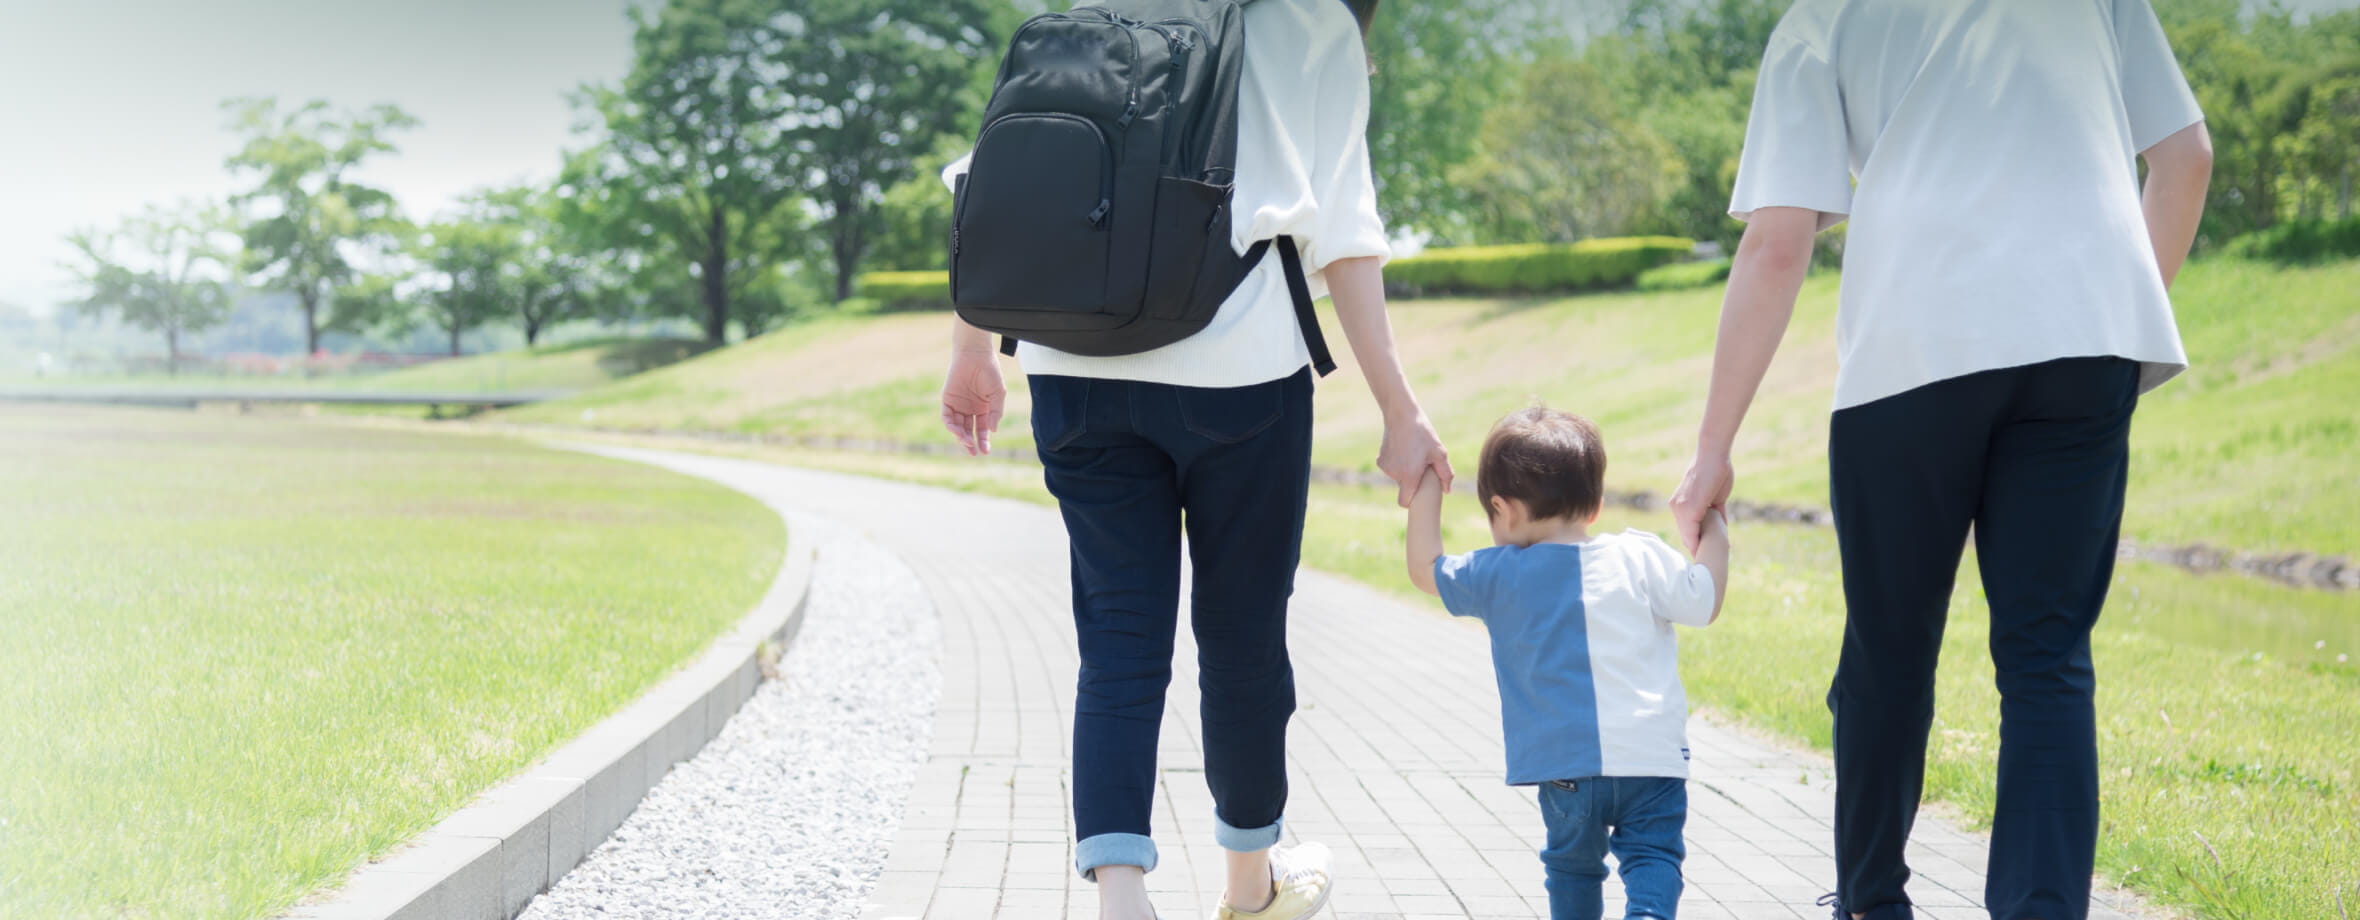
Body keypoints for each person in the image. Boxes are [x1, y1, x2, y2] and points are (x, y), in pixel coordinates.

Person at [1667, 1, 2213, 918]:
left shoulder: (1821, 19)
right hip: (2086, 346)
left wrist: (1713, 450)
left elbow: (1775, 245)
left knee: (1890, 648)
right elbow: (2186, 159)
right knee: (2046, 657)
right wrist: (2105, 310)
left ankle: (1873, 901)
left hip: (1913, 352)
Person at [938, 1, 1452, 917]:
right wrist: (1398, 408)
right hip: (1241, 370)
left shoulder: (1082, 5)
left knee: (1119, 643)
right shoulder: (1311, 20)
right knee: (1244, 639)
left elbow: (1004, 182)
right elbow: (1345, 231)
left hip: (1072, 363)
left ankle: (1122, 900)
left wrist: (973, 349)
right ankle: (1250, 889)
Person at [1406, 408, 1729, 920]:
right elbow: (1704, 600)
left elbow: (1426, 569)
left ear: (1502, 509)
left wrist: (1425, 484)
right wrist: (1713, 524)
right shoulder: (1641, 555)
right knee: (1654, 857)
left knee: (1573, 867)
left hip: (1566, 767)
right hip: (1652, 758)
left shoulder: (1500, 574)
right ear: (1595, 504)